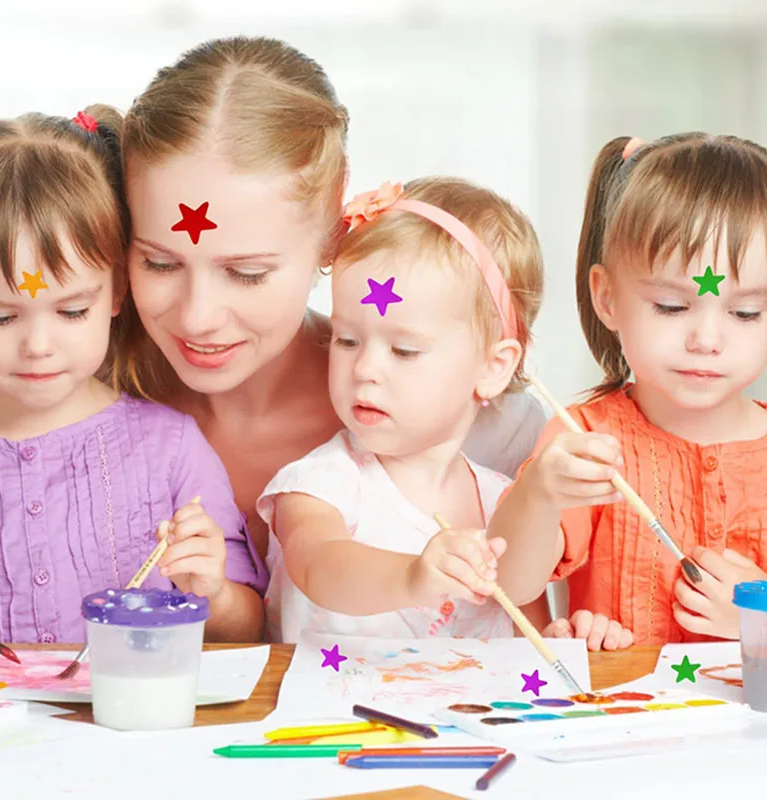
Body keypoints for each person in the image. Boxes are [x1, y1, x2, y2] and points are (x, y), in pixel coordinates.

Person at [117, 36, 548, 567]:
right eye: (160, 264)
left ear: (330, 230)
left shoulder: (486, 419)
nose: (197, 316)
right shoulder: (82, 404)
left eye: (247, 273)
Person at [256, 177, 632, 648]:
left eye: (405, 350)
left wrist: (565, 640)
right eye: (347, 340)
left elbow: (527, 632)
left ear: (494, 368)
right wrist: (413, 577)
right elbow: (319, 566)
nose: (366, 368)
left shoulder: (505, 504)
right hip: (335, 719)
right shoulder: (320, 484)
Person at [0, 107, 266, 644]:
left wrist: (212, 592)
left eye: (72, 311)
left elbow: (249, 630)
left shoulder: (169, 448)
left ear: (118, 291)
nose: (38, 346)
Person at [490, 134, 767, 645]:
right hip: (622, 718)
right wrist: (538, 494)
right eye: (671, 306)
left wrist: (756, 624)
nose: (706, 340)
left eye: (745, 313)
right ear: (607, 297)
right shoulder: (584, 439)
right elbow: (510, 584)